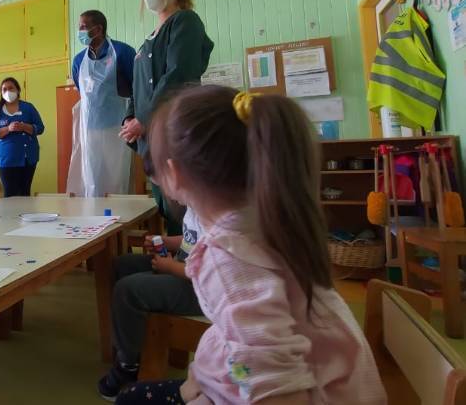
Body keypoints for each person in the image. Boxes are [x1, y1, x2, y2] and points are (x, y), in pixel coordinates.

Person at [116, 86, 385, 405]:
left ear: (173, 174)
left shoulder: (227, 259)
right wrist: (197, 379)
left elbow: (278, 392)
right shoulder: (266, 221)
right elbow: (245, 338)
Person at [119, 0, 214, 234]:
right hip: (152, 141)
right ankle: (176, 267)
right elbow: (136, 89)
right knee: (167, 209)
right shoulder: (146, 43)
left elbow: (178, 76)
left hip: (175, 134)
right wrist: (130, 118)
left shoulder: (186, 22)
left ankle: (188, 270)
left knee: (183, 210)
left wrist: (145, 120)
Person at [97, 208, 204, 400]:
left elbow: (210, 271)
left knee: (127, 290)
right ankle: (133, 349)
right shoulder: (198, 202)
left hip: (198, 291)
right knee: (120, 266)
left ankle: (127, 366)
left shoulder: (218, 210)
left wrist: (171, 267)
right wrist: (168, 242)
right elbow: (192, 238)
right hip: (181, 267)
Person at [71, 10, 136, 198]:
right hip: (90, 129)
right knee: (91, 178)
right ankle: (95, 221)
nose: (80, 31)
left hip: (117, 127)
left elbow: (136, 89)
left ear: (98, 29)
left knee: (118, 179)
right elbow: (82, 92)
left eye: (83, 27)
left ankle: (119, 222)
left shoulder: (123, 52)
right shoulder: (78, 61)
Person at [0, 77, 44, 198]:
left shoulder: (28, 108)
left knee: (24, 192)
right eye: (4, 89)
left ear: (18, 90)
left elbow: (41, 128)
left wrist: (24, 127)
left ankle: (26, 217)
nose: (7, 91)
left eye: (11, 88)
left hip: (28, 158)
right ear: (1, 93)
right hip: (7, 160)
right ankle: (9, 217)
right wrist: (8, 129)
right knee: (10, 194)